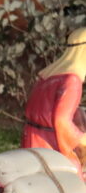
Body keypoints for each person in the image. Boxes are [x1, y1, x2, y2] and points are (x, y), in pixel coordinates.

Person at [21, 27, 86, 178]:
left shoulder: (50, 74)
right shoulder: (72, 81)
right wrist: (81, 140)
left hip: (33, 138)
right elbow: (62, 120)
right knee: (75, 181)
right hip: (49, 145)